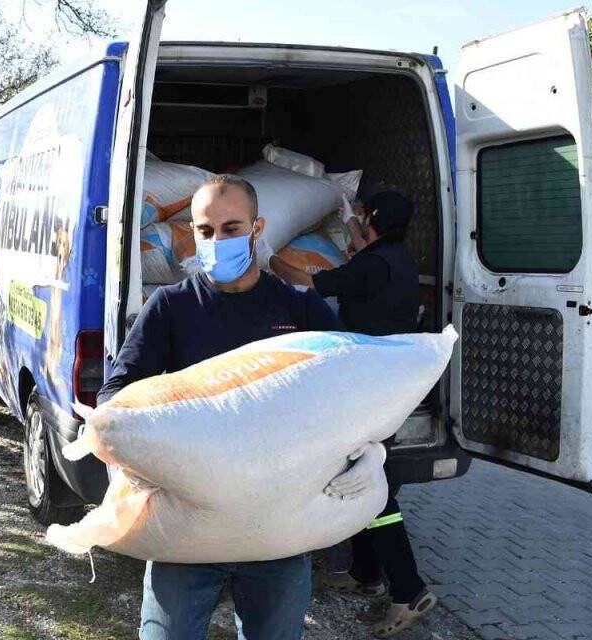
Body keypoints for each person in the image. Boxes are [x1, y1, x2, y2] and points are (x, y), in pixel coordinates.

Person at [99, 174, 384, 640]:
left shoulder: (297, 309)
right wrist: (131, 454)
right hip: (190, 528)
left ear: (257, 227)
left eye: (231, 228)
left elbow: (352, 386)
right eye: (205, 230)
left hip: (276, 532)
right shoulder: (170, 307)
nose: (217, 240)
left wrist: (370, 448)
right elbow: (115, 394)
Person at [268, 188, 437, 638]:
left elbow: (308, 283)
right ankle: (365, 574)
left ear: (374, 219)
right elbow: (363, 253)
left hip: (367, 391)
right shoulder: (397, 258)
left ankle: (409, 589)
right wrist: (353, 230)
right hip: (387, 384)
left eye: (361, 215)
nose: (355, 220)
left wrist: (267, 256)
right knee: (357, 475)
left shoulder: (372, 265)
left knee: (374, 490)